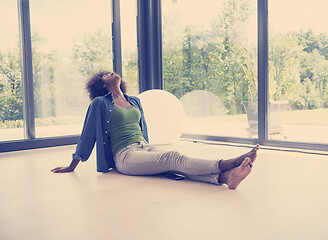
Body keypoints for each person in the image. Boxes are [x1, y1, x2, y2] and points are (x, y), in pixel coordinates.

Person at [51, 71, 260, 189]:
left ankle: (225, 178)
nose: (111, 72)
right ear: (103, 86)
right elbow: (88, 135)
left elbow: (143, 129)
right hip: (125, 156)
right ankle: (226, 163)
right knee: (173, 157)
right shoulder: (99, 103)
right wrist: (72, 166)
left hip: (144, 147)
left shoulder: (134, 101)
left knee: (175, 165)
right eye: (106, 75)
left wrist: (149, 148)